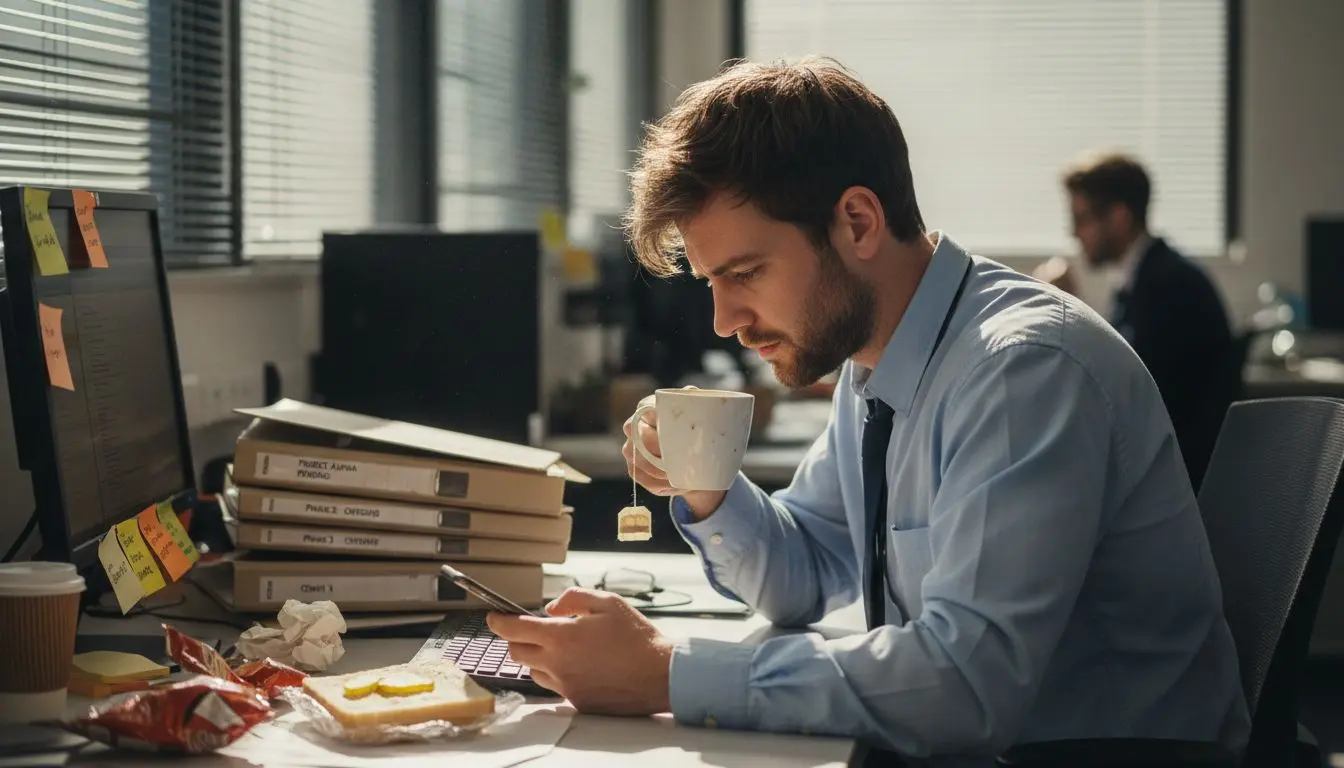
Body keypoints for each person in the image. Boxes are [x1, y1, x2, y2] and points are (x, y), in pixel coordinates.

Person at [487, 58, 1249, 764]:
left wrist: (665, 673)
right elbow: (805, 572)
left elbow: (964, 685)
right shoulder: (878, 362)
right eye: (711, 282)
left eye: (744, 272)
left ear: (857, 222)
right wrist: (707, 488)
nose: (724, 320)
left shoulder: (1021, 370)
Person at [1035, 154, 1235, 490]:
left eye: (1081, 219)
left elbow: (1123, 388)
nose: (1074, 233)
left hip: (1177, 476)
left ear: (1118, 217)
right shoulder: (1149, 278)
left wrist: (1063, 309)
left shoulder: (1167, 287)